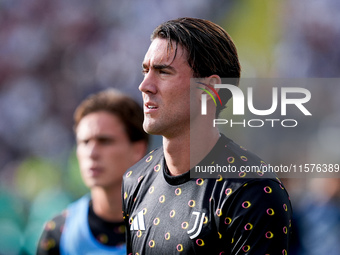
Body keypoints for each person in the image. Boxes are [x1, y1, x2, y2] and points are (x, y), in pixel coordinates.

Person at [122, 17, 292, 254]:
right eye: (145, 70)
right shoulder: (135, 180)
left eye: (163, 72)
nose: (144, 85)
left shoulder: (252, 190)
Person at [37, 89, 149, 255]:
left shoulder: (170, 224)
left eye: (104, 141)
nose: (92, 152)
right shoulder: (59, 233)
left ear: (138, 150)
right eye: (84, 142)